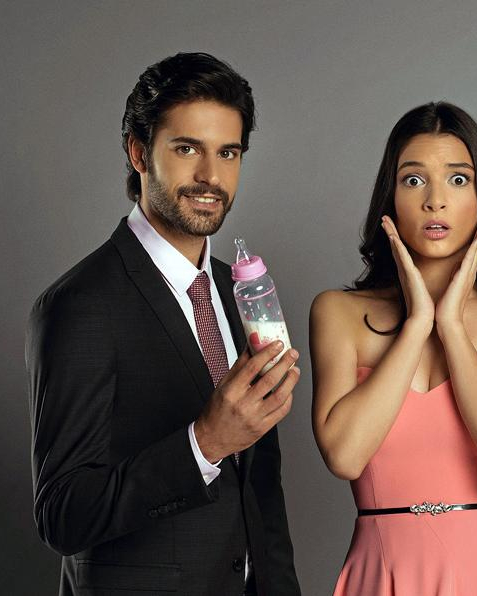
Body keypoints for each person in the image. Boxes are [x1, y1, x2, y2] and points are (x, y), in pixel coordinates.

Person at [26, 52, 301, 595]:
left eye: (228, 152)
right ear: (138, 152)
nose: (211, 176)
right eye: (186, 148)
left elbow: (261, 490)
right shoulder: (80, 304)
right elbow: (62, 515)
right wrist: (204, 444)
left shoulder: (237, 291)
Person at [310, 102, 477, 595]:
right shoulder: (337, 312)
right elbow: (345, 457)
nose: (435, 202)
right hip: (381, 573)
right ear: (390, 197)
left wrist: (451, 327)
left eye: (458, 180)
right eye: (414, 180)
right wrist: (417, 324)